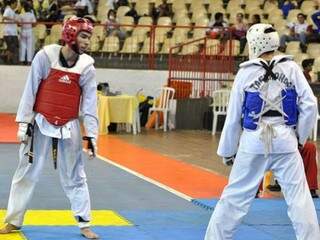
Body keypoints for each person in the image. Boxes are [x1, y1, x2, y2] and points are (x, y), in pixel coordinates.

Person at [204, 23, 320, 240]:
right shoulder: (291, 68)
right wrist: (299, 137)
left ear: (254, 44)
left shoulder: (246, 72)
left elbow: (234, 115)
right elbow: (310, 105)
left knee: (234, 199)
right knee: (300, 199)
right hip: (286, 139)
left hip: (253, 142)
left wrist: (228, 151)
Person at [0, 17, 99, 239]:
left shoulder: (87, 66)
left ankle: (84, 224)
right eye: (84, 36)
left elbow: (91, 104)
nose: (87, 42)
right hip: (41, 122)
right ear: (70, 34)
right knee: (26, 171)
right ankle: (13, 221)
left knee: (75, 175)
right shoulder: (45, 56)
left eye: (89, 38)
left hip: (70, 125)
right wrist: (24, 124)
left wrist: (91, 135)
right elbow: (30, 90)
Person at [3, 0, 19, 64]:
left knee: (12, 47)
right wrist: (13, 20)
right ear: (12, 3)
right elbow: (4, 17)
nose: (16, 5)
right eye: (15, 3)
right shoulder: (8, 10)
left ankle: (6, 58)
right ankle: (8, 59)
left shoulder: (13, 11)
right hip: (9, 32)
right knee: (11, 47)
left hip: (13, 32)